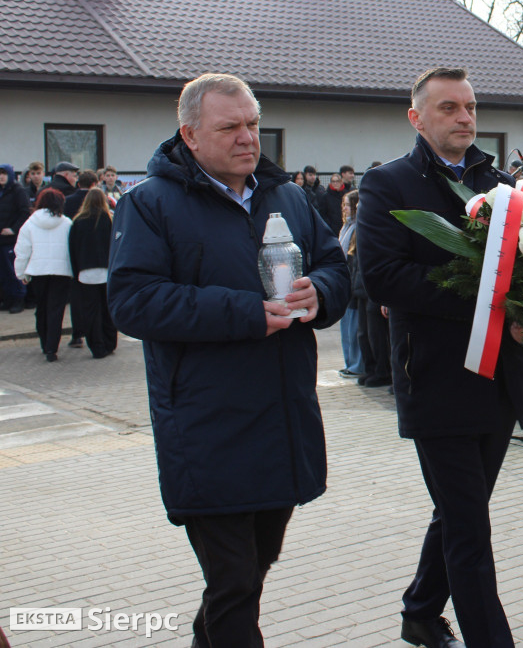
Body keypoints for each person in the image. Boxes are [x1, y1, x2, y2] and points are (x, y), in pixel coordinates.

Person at [106, 73, 349, 647]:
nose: (247, 138)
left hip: (283, 418)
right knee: (235, 581)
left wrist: (322, 291)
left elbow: (337, 267)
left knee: (249, 571)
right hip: (206, 424)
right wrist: (243, 313)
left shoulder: (287, 195)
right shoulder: (150, 204)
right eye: (229, 127)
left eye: (253, 125)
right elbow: (132, 300)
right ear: (189, 135)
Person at [358, 67, 523, 648]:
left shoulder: (503, 184)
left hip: (498, 379)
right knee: (468, 527)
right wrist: (480, 296)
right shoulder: (390, 184)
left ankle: (420, 611)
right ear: (417, 117)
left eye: (470, 107)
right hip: (434, 379)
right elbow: (382, 277)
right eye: (449, 108)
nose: (464, 118)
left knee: (463, 508)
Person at [14, 188, 72, 362]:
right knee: (56, 309)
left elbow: (22, 250)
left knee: (42, 307)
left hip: (38, 270)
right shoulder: (67, 223)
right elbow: (72, 249)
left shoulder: (30, 223)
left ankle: (44, 341)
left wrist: (21, 272)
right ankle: (51, 348)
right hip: (61, 271)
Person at [69, 189, 118, 358]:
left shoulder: (78, 222)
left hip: (85, 272)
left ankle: (97, 347)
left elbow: (72, 249)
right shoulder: (109, 220)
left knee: (91, 311)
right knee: (107, 309)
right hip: (105, 271)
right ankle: (110, 342)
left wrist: (76, 272)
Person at [337, 189, 364, 377]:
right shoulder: (345, 226)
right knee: (346, 325)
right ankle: (349, 362)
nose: (344, 208)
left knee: (355, 327)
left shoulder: (356, 227)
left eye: (348, 204)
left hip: (353, 281)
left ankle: (357, 364)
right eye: (343, 204)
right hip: (344, 281)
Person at [0, 163, 30, 313]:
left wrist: (13, 229)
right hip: (1, 240)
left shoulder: (18, 191)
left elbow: (24, 213)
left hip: (12, 240)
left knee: (13, 271)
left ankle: (19, 300)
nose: (1, 176)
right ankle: (7, 299)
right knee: (3, 273)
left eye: (4, 173)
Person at [321, 169, 353, 237]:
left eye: (337, 181)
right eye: (333, 181)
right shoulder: (326, 196)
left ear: (341, 182)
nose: (335, 183)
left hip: (344, 225)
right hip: (332, 228)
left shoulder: (346, 194)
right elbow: (323, 213)